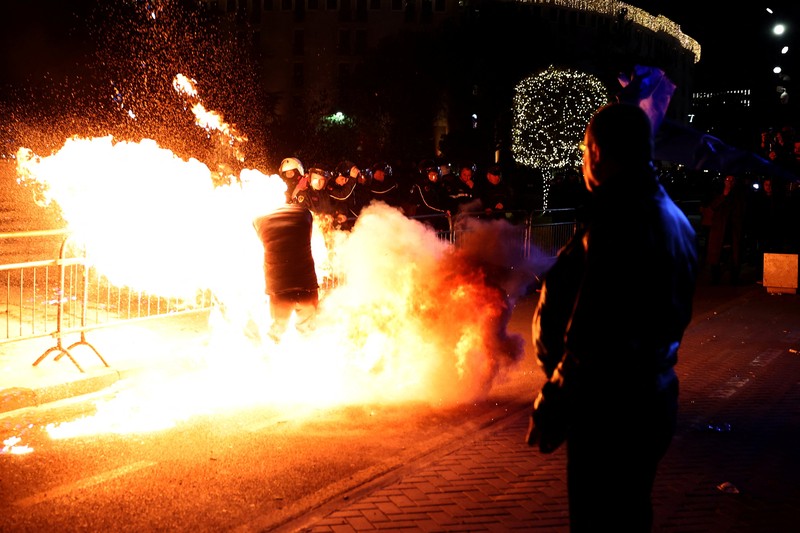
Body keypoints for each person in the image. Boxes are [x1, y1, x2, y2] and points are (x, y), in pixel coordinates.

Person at [526, 102, 698, 532]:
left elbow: (597, 329)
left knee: (602, 518)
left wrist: (555, 400)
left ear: (597, 151)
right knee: (628, 512)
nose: (584, 161)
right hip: (647, 396)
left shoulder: (623, 218)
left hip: (610, 406)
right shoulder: (670, 216)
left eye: (585, 150)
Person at [253, 200, 319, 343]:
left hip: (279, 291)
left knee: (276, 333)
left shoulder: (259, 220)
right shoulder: (305, 214)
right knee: (308, 331)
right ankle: (310, 357)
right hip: (307, 288)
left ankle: (271, 361)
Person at [704, 174, 747, 285]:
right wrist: (723, 195)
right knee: (716, 255)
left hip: (733, 228)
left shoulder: (739, 194)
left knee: (734, 255)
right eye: (728, 179)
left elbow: (741, 209)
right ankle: (715, 277)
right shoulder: (717, 191)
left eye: (732, 180)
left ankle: (733, 278)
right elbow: (712, 206)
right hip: (719, 228)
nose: (730, 182)